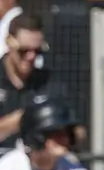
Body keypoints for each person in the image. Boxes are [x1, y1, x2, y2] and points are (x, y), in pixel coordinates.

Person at [0, 15, 68, 151]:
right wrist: (19, 121)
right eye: (24, 51)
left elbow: (77, 131)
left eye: (37, 51)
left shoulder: (48, 81)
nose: (31, 57)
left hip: (39, 165)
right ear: (9, 43)